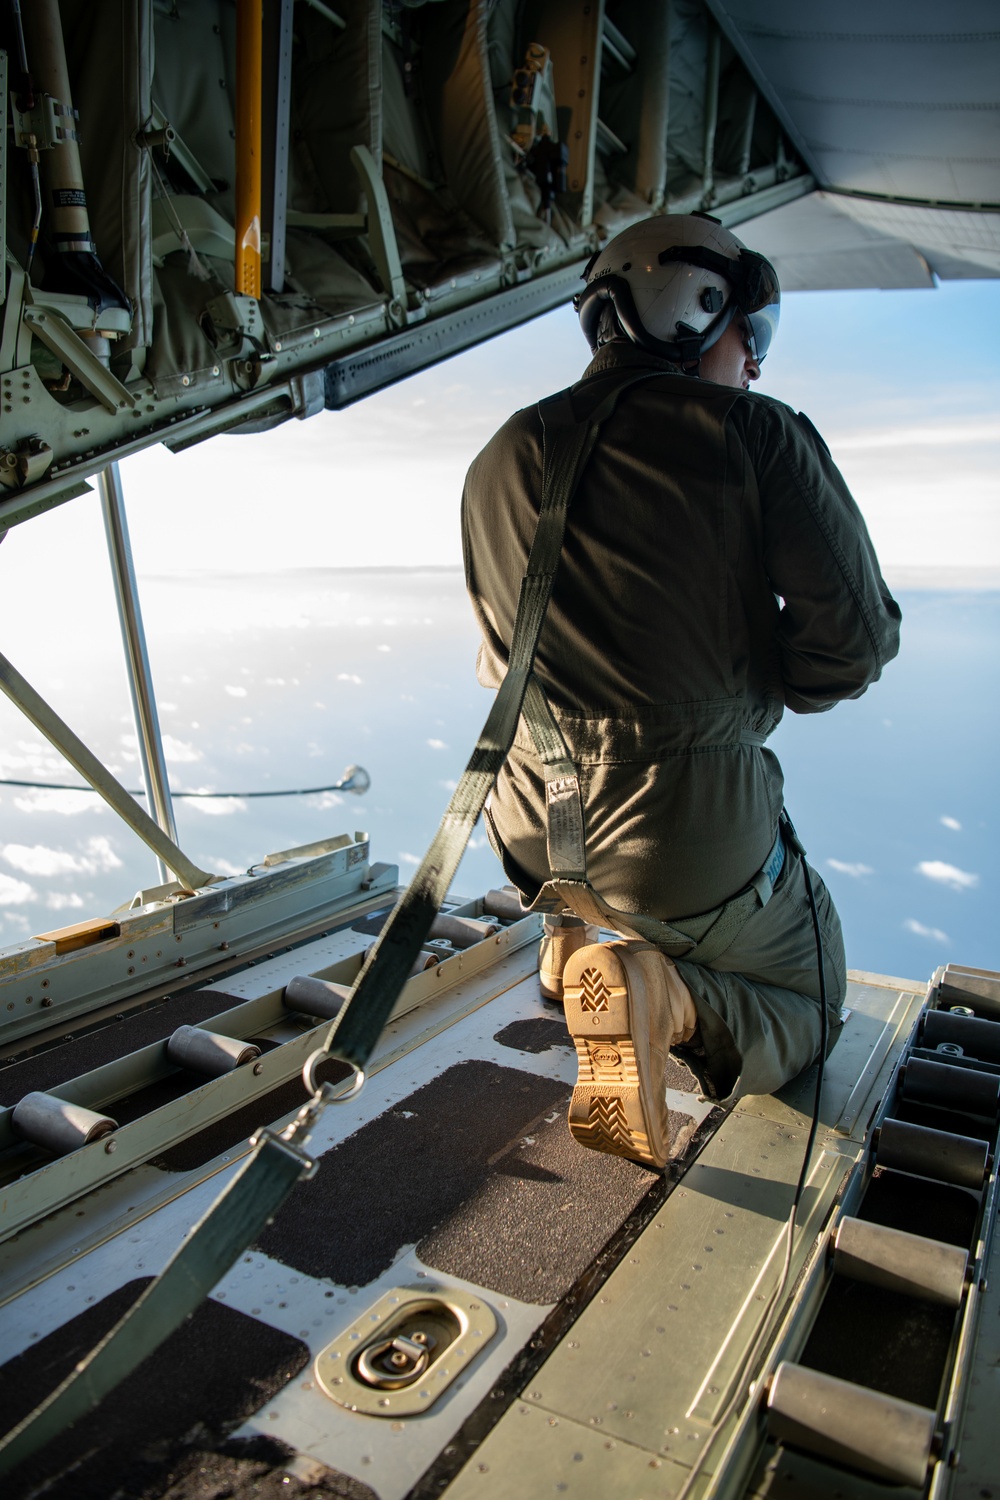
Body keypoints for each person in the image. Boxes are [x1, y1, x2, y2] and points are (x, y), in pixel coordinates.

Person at [461, 214, 901, 1169]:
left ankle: (580, 940)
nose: (756, 366)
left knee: (618, 893)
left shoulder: (496, 455)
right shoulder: (753, 433)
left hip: (529, 826)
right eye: (756, 336)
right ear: (698, 310)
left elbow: (503, 653)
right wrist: (755, 674)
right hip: (683, 838)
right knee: (811, 993)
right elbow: (856, 645)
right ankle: (663, 996)